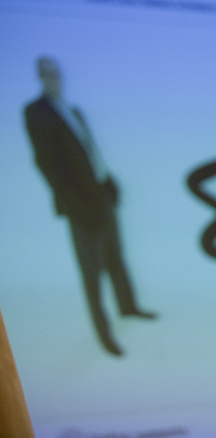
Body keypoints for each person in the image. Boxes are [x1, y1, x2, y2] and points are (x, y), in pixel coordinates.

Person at [23, 56, 156, 356]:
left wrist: (108, 181)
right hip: (80, 204)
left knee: (115, 258)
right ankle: (104, 335)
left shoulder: (72, 110)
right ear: (40, 77)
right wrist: (74, 205)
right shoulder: (36, 111)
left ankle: (128, 307)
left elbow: (90, 151)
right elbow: (47, 163)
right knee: (91, 272)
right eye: (47, 74)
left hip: (101, 195)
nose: (54, 79)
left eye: (56, 73)